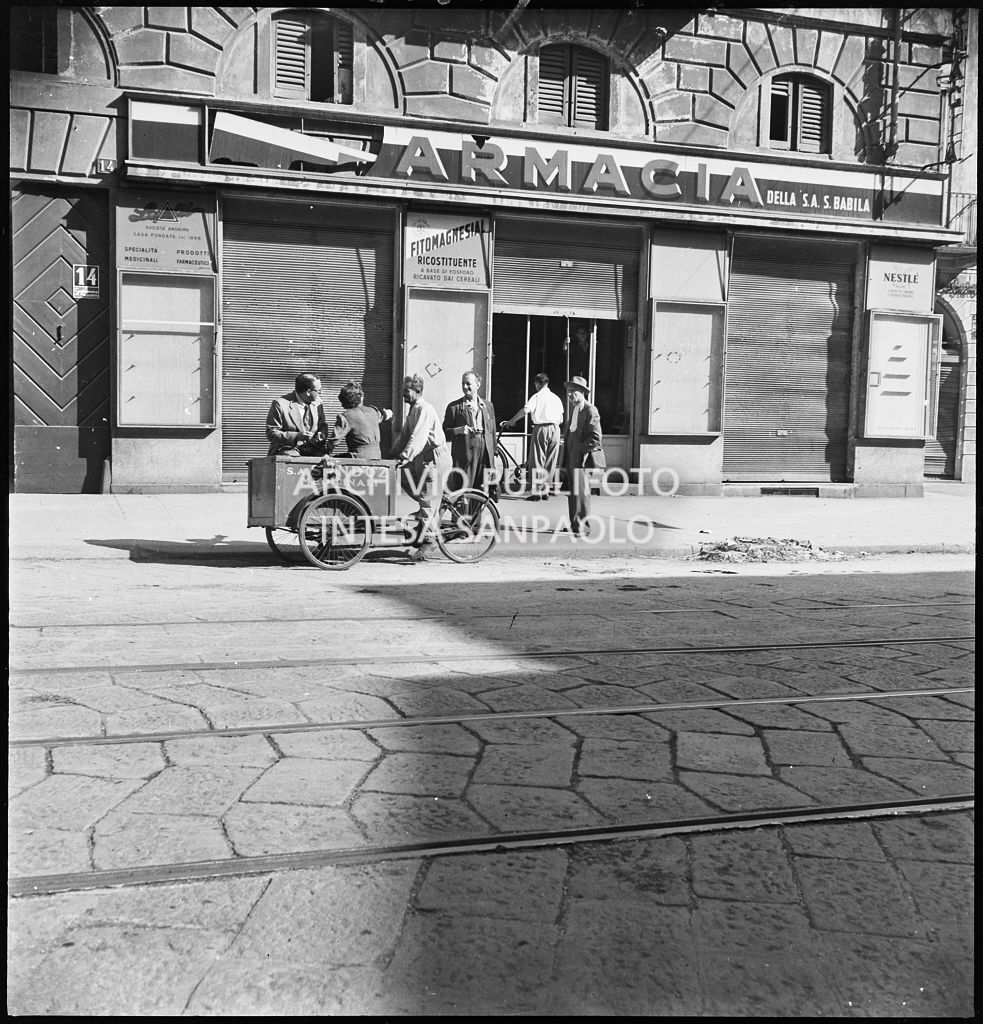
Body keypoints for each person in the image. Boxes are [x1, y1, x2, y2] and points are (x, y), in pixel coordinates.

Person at [389, 374, 449, 559]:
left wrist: (404, 456)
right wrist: (391, 456)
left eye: (406, 392)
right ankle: (425, 521)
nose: (403, 396)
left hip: (434, 458)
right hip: (421, 458)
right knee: (407, 481)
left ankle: (429, 541)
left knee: (427, 499)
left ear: (418, 392)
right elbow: (405, 435)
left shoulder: (425, 409)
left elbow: (418, 437)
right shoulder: (413, 409)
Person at [500, 372, 564, 501]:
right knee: (550, 461)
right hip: (555, 429)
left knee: (537, 460)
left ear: (537, 383)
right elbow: (561, 418)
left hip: (541, 428)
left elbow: (525, 410)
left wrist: (512, 421)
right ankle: (545, 490)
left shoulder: (537, 396)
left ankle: (536, 492)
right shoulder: (556, 398)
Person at [562, 375, 606, 537]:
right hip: (572, 453)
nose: (570, 394)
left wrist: (580, 450)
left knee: (582, 492)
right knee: (573, 492)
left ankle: (583, 527)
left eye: (573, 391)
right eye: (568, 391)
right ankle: (575, 524)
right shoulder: (575, 409)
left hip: (581, 456)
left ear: (582, 392)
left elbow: (595, 436)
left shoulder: (590, 410)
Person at [443, 370, 497, 494]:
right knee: (463, 487)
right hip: (465, 452)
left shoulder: (488, 406)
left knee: (482, 488)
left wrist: (493, 450)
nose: (465, 387)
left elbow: (492, 430)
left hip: (484, 451)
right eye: (463, 383)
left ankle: (477, 514)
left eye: (468, 384)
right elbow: (444, 433)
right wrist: (458, 430)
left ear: (478, 385)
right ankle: (460, 513)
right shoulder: (454, 407)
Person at [266, 373, 329, 456]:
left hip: (313, 449)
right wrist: (296, 436)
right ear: (308, 392)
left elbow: (323, 425)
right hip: (288, 449)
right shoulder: (280, 404)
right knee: (292, 458)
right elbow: (272, 434)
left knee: (328, 461)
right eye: (319, 391)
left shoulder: (317, 402)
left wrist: (322, 434)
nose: (320, 393)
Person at [333, 381, 393, 459]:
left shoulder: (346, 416)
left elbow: (334, 440)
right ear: (361, 397)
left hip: (358, 460)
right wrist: (388, 413)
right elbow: (383, 416)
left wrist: (327, 450)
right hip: (377, 458)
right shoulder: (373, 411)